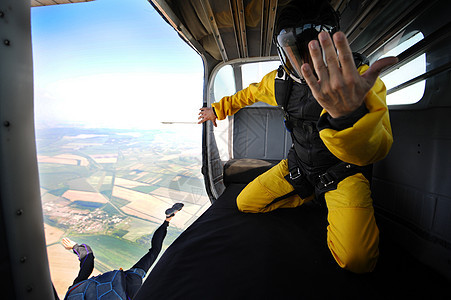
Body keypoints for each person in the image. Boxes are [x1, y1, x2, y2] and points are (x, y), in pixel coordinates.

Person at [198, 0, 398, 274]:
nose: (306, 62)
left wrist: (348, 116)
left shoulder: (359, 82)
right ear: (284, 53)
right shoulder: (279, 82)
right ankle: (309, 196)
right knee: (245, 204)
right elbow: (250, 94)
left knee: (357, 260)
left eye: (313, 48)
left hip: (344, 174)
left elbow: (375, 150)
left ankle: (321, 196)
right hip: (299, 167)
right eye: (296, 51)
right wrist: (217, 110)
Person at [62, 203, 184, 299]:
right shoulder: (73, 291)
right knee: (154, 251)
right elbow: (88, 258)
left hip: (132, 290)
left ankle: (168, 220)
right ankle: (167, 220)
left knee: (155, 257)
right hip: (126, 278)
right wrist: (75, 247)